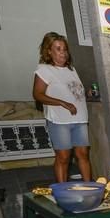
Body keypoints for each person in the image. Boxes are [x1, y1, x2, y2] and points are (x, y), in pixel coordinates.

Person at [33, 32, 92, 183]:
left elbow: (73, 92)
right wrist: (63, 103)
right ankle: (62, 189)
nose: (63, 53)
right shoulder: (44, 70)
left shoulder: (71, 70)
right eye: (58, 49)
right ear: (49, 51)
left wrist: (87, 93)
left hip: (80, 119)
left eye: (64, 49)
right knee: (63, 157)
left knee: (83, 154)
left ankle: (90, 186)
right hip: (59, 121)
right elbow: (38, 94)